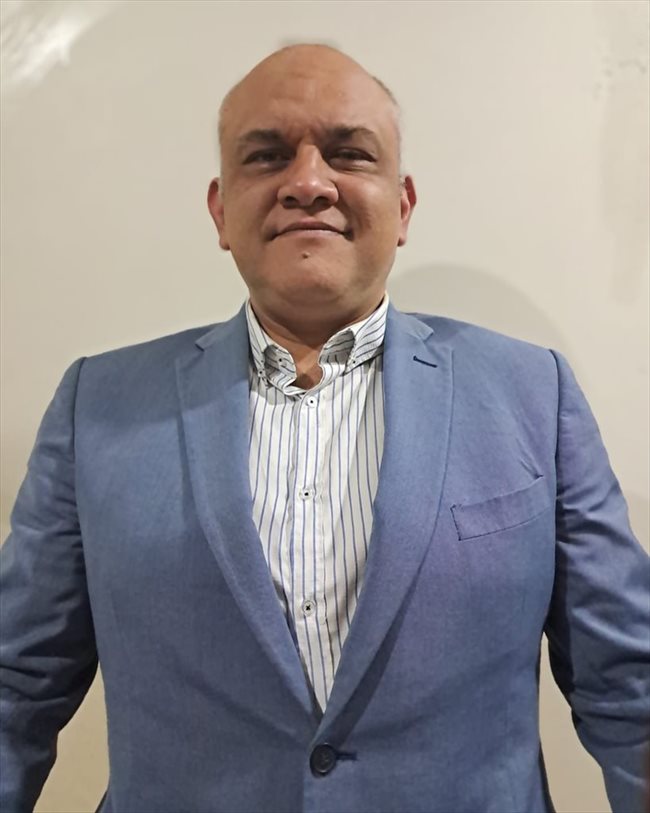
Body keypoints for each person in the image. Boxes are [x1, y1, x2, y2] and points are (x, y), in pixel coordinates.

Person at [0, 43, 648, 813]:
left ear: (403, 205)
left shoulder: (533, 395)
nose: (308, 182)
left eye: (348, 153)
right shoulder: (98, 407)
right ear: (220, 210)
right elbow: (16, 686)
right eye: (267, 155)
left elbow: (630, 683)